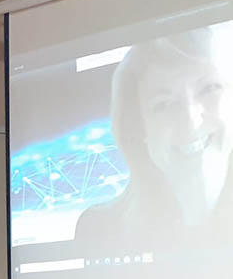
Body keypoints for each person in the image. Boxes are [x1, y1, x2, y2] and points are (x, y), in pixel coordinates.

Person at [75, 25, 233, 248]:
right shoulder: (99, 228)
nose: (190, 122)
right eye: (164, 104)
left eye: (209, 89)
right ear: (139, 129)